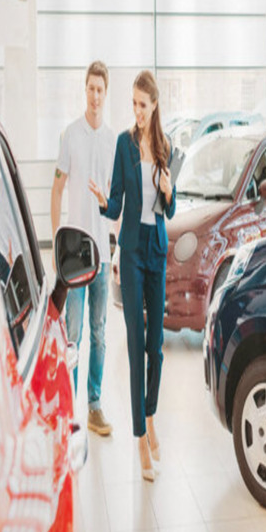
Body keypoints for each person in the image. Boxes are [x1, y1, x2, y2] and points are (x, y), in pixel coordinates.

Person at [88, 71, 176, 482]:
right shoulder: (124, 144)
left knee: (156, 347)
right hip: (132, 248)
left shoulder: (164, 146)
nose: (137, 111)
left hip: (157, 247)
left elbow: (169, 211)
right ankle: (140, 436)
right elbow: (118, 202)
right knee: (136, 343)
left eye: (143, 104)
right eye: (134, 104)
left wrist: (170, 191)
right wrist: (106, 203)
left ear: (155, 105)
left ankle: (151, 414)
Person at [51, 61, 116, 436]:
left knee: (100, 332)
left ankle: (93, 406)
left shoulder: (112, 140)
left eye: (100, 90)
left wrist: (117, 245)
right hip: (75, 256)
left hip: (103, 256)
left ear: (106, 94)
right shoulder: (69, 136)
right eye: (90, 89)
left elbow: (114, 199)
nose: (95, 96)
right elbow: (57, 188)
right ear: (84, 91)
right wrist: (57, 241)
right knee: (72, 334)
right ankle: (69, 409)